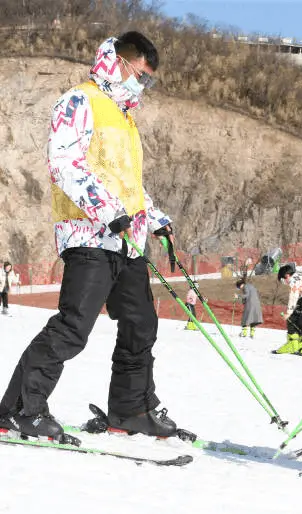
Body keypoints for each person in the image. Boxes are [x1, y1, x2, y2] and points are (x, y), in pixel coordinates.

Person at [0, 32, 178, 440]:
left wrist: (154, 217)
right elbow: (64, 163)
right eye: (140, 76)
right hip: (88, 234)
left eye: (148, 81)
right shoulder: (78, 101)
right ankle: (19, 410)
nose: (142, 86)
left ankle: (130, 410)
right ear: (118, 63)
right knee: (73, 326)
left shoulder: (125, 118)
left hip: (126, 239)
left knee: (141, 323)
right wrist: (105, 209)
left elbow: (128, 184)